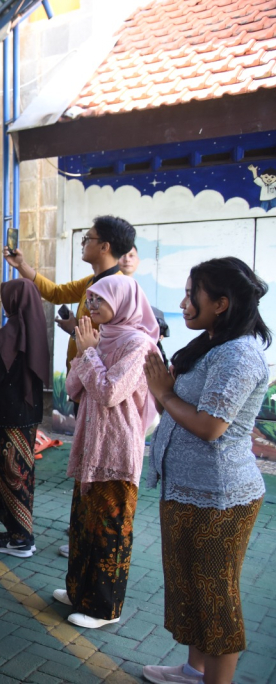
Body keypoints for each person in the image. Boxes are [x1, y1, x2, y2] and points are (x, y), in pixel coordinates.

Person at [142, 257, 270, 684]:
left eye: (190, 295)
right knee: (192, 589)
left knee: (216, 599)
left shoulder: (240, 354)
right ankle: (194, 672)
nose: (183, 304)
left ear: (220, 302)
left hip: (220, 497)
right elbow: (178, 408)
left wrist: (163, 390)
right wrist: (162, 389)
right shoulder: (212, 344)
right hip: (185, 489)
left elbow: (210, 426)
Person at [53, 275, 159, 629]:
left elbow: (110, 392)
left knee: (109, 530)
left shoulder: (139, 344)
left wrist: (88, 353)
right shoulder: (101, 337)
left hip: (116, 450)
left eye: (99, 300)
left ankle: (104, 608)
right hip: (90, 445)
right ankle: (78, 591)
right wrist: (86, 351)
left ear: (123, 300)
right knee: (83, 524)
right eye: (90, 300)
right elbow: (73, 388)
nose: (91, 307)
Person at [4, 215, 136, 390]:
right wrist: (21, 265)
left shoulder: (118, 288)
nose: (82, 244)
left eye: (87, 239)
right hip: (82, 378)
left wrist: (75, 332)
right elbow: (56, 293)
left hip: (98, 384)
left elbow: (113, 345)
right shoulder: (92, 281)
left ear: (104, 247)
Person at [0, 279, 52, 558]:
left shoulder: (10, 332)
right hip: (28, 414)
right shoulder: (36, 330)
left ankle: (21, 538)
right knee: (23, 474)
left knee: (10, 474)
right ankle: (18, 532)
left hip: (9, 415)